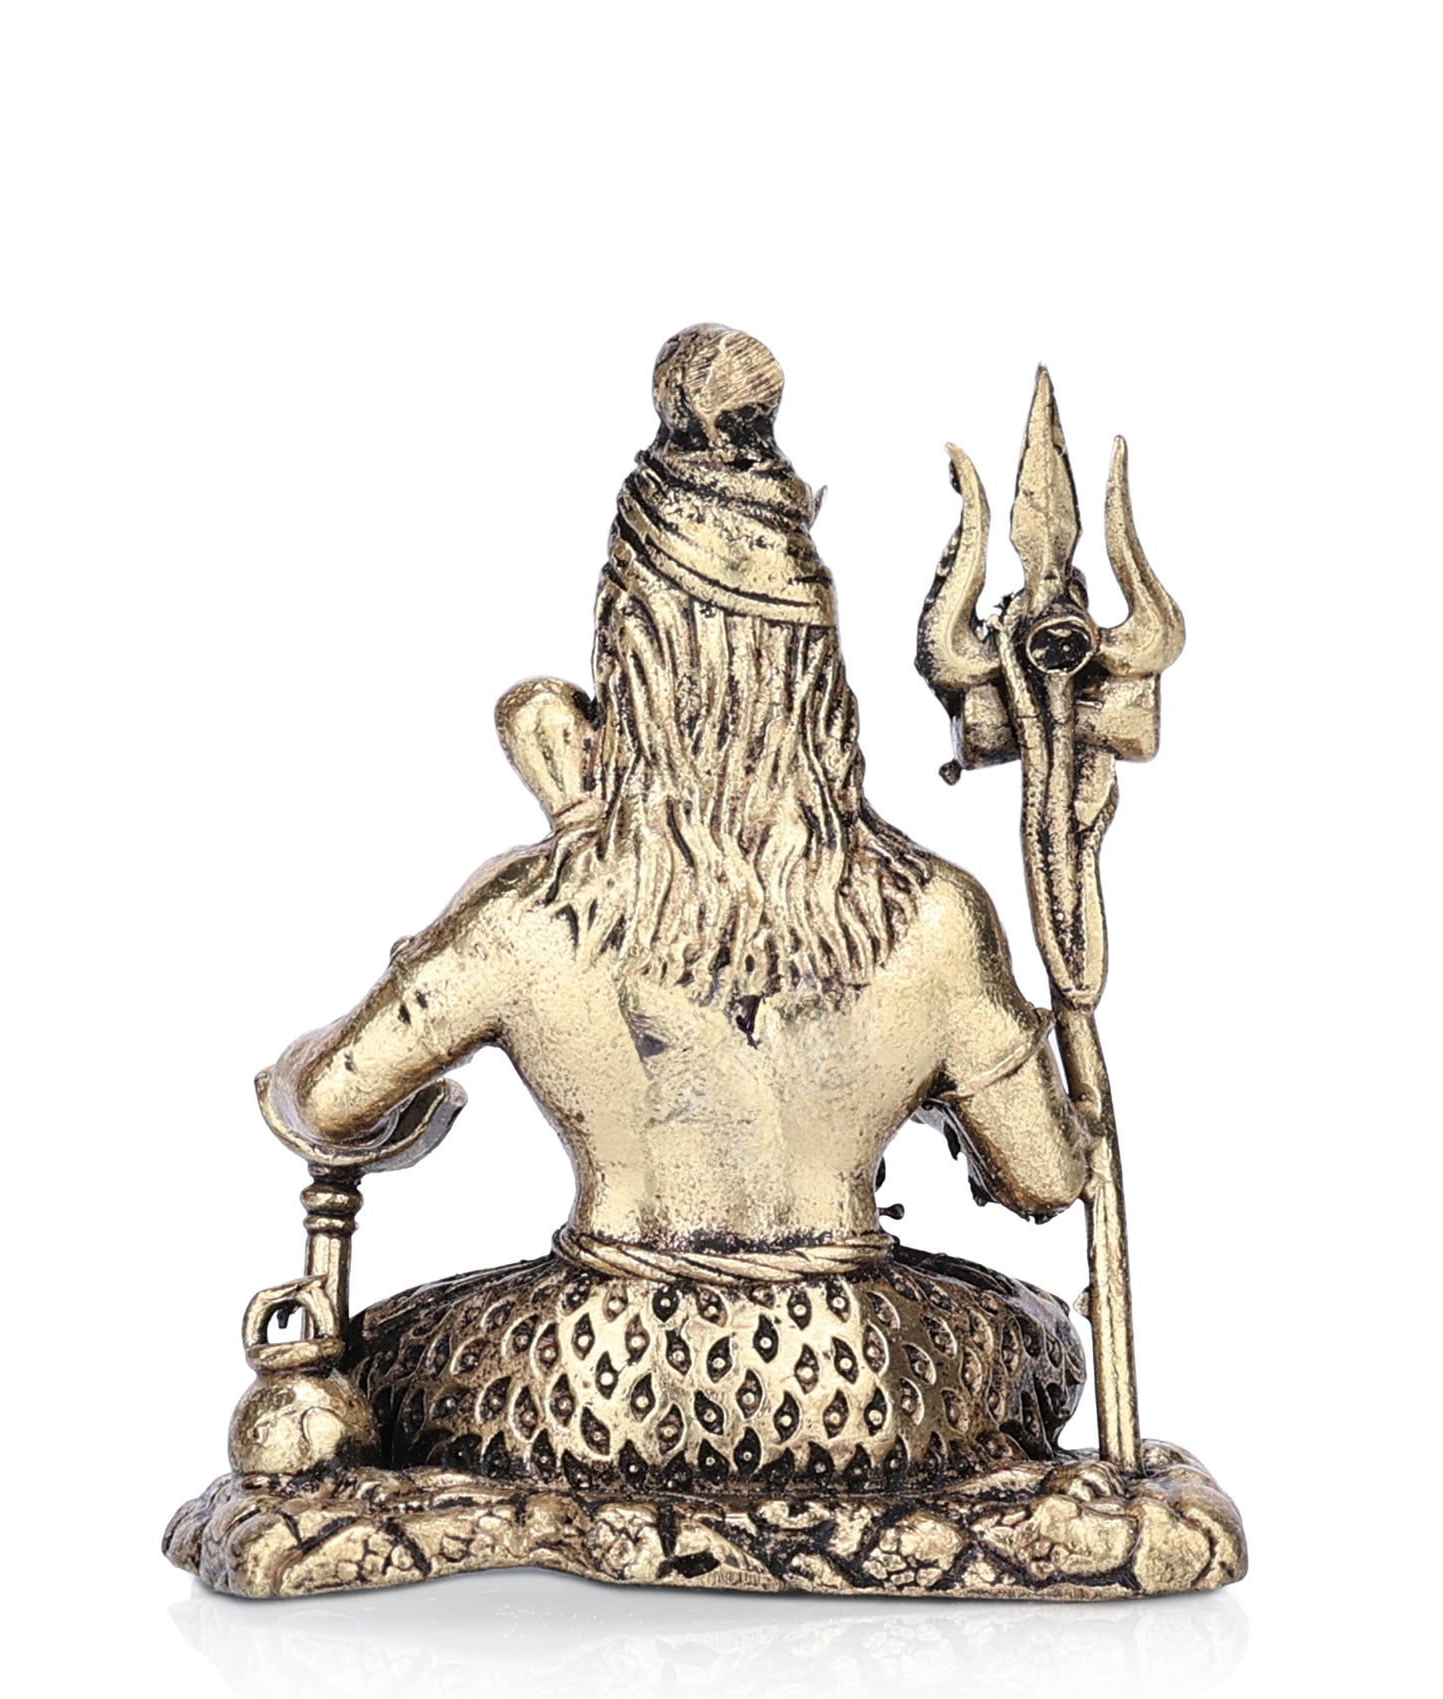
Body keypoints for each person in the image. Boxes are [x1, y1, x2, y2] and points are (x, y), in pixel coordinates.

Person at [260, 324, 1091, 1494]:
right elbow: (1046, 1178)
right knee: (1034, 1338)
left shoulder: (532, 911)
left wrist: (340, 1069)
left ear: (628, 655)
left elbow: (329, 1099)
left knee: (386, 1355)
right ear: (821, 677)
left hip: (586, 1387)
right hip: (865, 1384)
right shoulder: (936, 915)